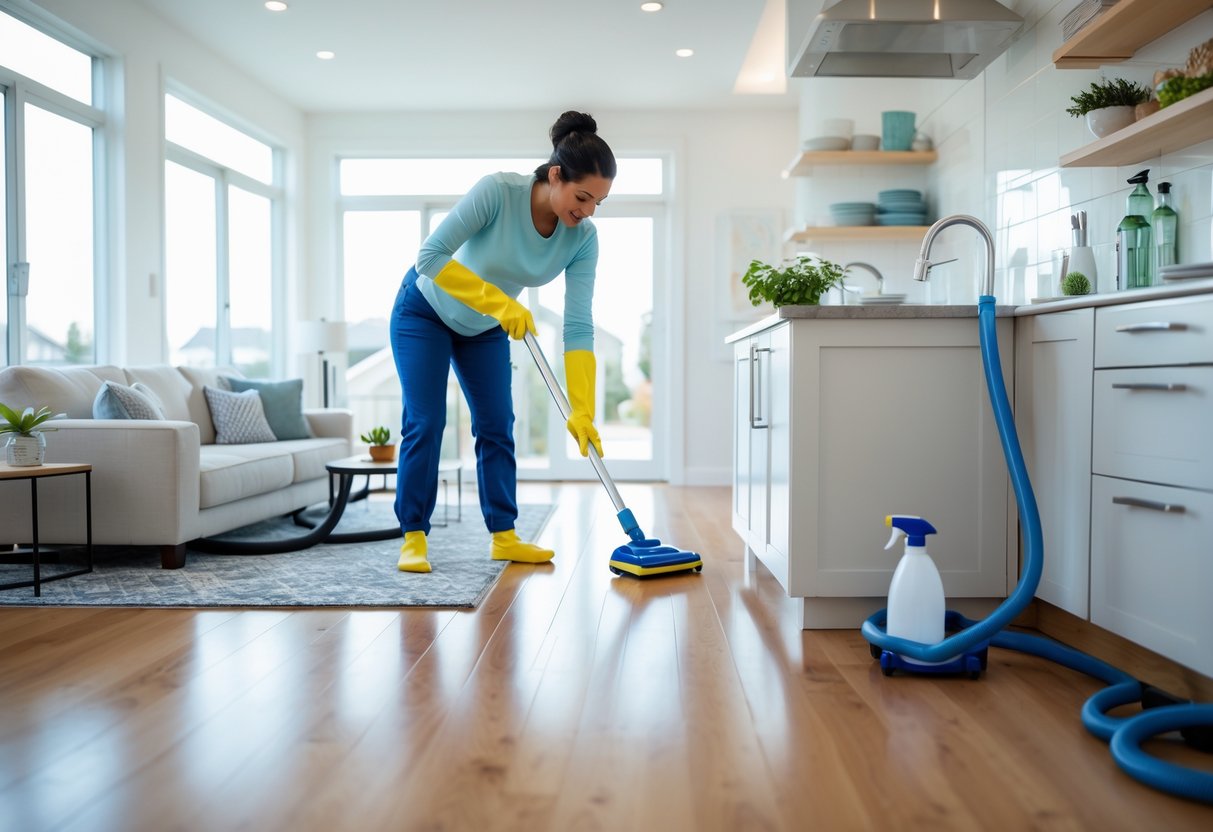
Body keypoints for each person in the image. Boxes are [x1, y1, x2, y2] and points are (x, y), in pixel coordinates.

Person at [389, 111, 616, 573]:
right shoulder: (498, 192)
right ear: (556, 175)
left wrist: (582, 408)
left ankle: (504, 535)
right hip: (424, 312)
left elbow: (577, 326)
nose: (588, 210)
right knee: (426, 420)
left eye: (598, 202)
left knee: (497, 423)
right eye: (582, 196)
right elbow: (430, 257)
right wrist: (499, 302)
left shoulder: (583, 240)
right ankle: (413, 534)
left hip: (485, 328)